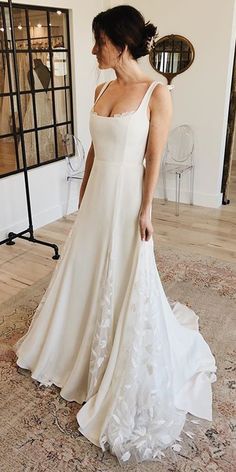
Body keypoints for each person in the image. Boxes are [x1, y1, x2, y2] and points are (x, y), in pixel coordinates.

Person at [13, 5, 217, 466]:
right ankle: (71, 343)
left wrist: (147, 210)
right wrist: (83, 187)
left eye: (98, 41)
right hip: (98, 194)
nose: (92, 49)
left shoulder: (156, 94)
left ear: (120, 43)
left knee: (122, 276)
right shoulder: (103, 87)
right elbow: (94, 149)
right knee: (83, 269)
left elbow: (154, 159)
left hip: (127, 198)